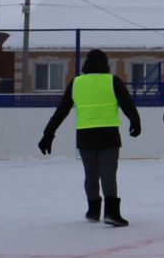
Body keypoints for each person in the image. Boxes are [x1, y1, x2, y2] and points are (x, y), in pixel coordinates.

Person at [37, 48, 143, 227]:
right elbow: (128, 105)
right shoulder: (113, 81)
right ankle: (111, 213)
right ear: (106, 64)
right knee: (108, 173)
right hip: (109, 134)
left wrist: (48, 134)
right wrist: (135, 121)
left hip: (85, 135)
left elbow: (61, 111)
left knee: (91, 174)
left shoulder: (76, 83)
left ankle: (93, 211)